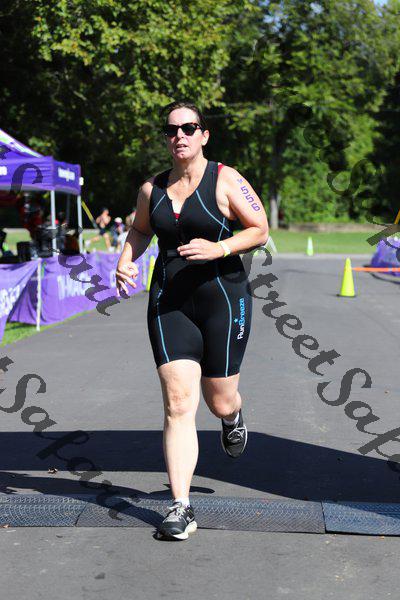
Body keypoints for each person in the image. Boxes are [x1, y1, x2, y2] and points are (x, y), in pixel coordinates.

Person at [116, 101, 269, 541]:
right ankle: (180, 506)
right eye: (172, 130)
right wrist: (126, 259)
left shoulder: (226, 179)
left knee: (219, 400)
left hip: (224, 299)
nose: (179, 136)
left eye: (189, 128)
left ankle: (232, 415)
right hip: (170, 303)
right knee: (179, 403)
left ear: (204, 135)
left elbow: (259, 229)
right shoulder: (152, 189)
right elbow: (140, 229)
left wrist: (219, 248)